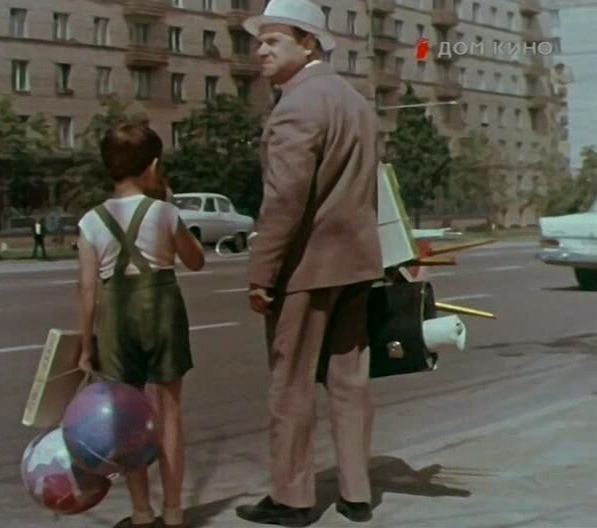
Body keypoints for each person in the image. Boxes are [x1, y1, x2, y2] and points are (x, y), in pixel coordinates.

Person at [236, 0, 384, 525]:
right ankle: (356, 492)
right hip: (357, 264)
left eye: (273, 41)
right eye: (259, 41)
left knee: (291, 382)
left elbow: (284, 200)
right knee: (350, 380)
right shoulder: (355, 102)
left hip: (306, 268)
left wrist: (262, 274)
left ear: (309, 44)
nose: (261, 50)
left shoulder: (297, 105)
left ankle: (292, 498)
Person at [76, 124, 205, 528]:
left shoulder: (91, 221)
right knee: (170, 412)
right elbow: (196, 261)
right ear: (153, 166)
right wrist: (169, 203)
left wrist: (86, 347)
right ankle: (173, 511)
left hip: (115, 316)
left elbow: (87, 288)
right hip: (162, 308)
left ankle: (141, 512)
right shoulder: (164, 212)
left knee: (127, 416)